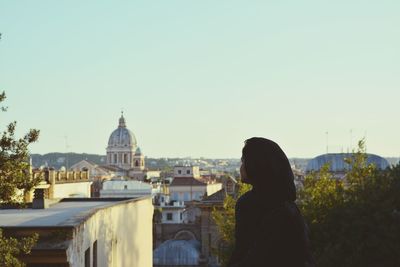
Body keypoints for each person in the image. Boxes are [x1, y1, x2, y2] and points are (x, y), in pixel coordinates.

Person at [227, 137, 314, 267]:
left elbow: (245, 253)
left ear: (255, 165)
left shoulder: (249, 204)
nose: (241, 167)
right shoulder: (290, 206)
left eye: (244, 161)